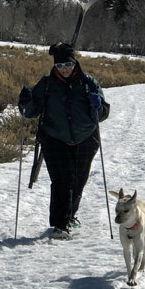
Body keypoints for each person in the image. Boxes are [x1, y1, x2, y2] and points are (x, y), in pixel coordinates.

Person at [18, 42, 110, 239]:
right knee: (62, 181)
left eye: (67, 65)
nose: (64, 70)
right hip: (54, 138)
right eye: (60, 66)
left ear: (75, 63)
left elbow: (103, 115)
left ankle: (69, 217)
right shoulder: (47, 84)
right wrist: (25, 103)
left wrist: (98, 106)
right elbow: (32, 112)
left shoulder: (88, 83)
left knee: (78, 181)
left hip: (86, 138)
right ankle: (60, 225)